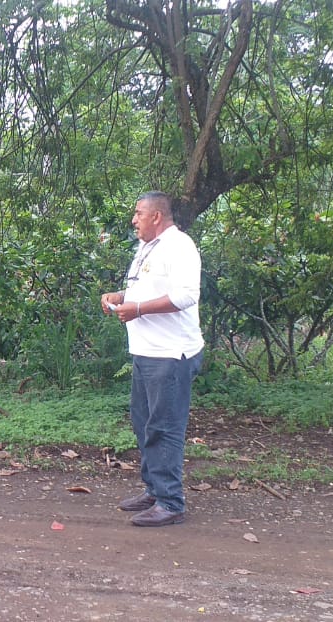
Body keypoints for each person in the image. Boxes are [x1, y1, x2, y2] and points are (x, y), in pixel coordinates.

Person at [99, 191, 203, 527]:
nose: (134, 220)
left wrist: (139, 309)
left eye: (139, 213)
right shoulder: (148, 247)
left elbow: (186, 295)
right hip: (146, 351)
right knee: (144, 422)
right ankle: (155, 490)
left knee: (164, 427)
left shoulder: (179, 246)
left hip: (170, 354)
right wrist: (121, 297)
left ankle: (170, 502)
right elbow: (146, 289)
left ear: (156, 216)